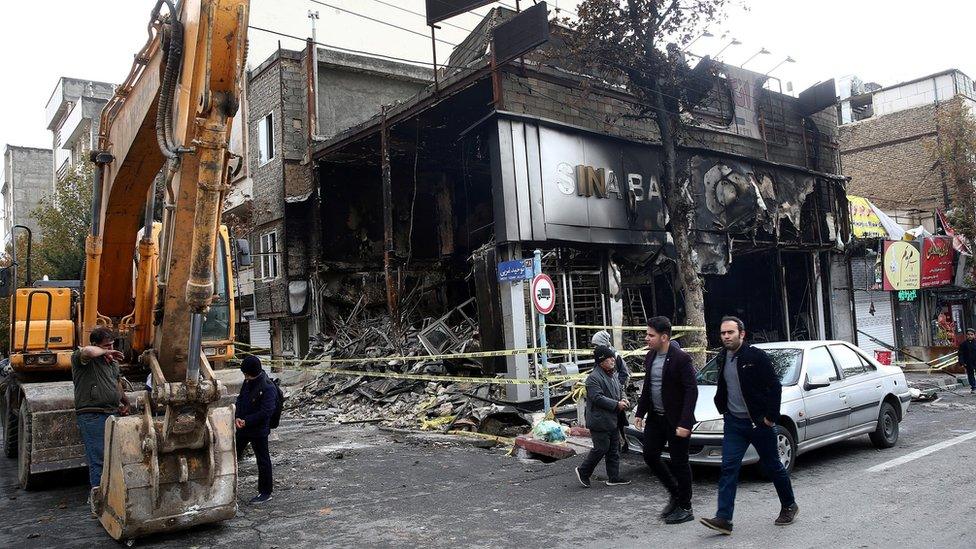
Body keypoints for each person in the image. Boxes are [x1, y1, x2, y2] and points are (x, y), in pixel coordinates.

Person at [700, 316, 798, 536]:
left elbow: (774, 387)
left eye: (730, 333)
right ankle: (724, 519)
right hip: (734, 423)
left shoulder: (756, 357)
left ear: (741, 334)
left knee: (773, 465)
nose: (726, 336)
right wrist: (723, 409)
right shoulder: (722, 357)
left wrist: (770, 418)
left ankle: (789, 505)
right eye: (723, 333)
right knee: (728, 468)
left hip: (758, 424)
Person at [633, 316, 698, 524]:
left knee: (680, 462)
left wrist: (685, 423)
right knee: (650, 455)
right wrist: (639, 413)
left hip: (677, 420)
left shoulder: (681, 358)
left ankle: (686, 506)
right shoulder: (650, 357)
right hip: (656, 418)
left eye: (650, 335)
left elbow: (691, 391)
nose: (646, 338)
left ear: (664, 337)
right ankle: (675, 493)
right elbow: (648, 388)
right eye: (647, 334)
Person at [72, 327, 130, 501]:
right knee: (99, 459)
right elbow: (88, 351)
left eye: (112, 344)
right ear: (96, 344)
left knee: (115, 458)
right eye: (106, 346)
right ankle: (99, 499)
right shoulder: (82, 359)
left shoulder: (111, 362)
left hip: (111, 413)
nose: (110, 348)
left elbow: (116, 382)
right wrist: (105, 351)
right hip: (92, 415)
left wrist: (124, 401)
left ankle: (113, 497)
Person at [575, 345, 631, 488]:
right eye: (609, 358)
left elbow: (620, 389)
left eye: (612, 357)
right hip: (600, 421)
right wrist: (616, 404)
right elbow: (597, 398)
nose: (613, 360)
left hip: (612, 420)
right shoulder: (593, 378)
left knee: (614, 448)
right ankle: (583, 471)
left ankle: (613, 477)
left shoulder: (612, 374)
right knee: (601, 448)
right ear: (601, 361)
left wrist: (623, 399)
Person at [235, 355, 277, 504]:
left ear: (252, 372)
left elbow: (266, 412)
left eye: (247, 374)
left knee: (263, 460)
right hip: (243, 427)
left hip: (258, 430)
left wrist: (247, 421)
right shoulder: (247, 382)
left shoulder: (268, 387)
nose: (245, 377)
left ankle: (265, 492)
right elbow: (240, 399)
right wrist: (238, 417)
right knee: (233, 455)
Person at [590, 330, 630, 451]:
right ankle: (616, 446)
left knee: (619, 418)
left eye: (596, 344)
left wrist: (618, 386)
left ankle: (625, 443)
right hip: (607, 390)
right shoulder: (601, 355)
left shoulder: (613, 355)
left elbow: (624, 373)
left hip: (615, 391)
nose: (594, 347)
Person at [957, 328, 976, 394]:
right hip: (968, 362)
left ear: (974, 335)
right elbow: (960, 354)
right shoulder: (963, 344)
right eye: (968, 334)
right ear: (966, 335)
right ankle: (974, 387)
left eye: (971, 334)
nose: (970, 336)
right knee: (970, 375)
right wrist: (962, 362)